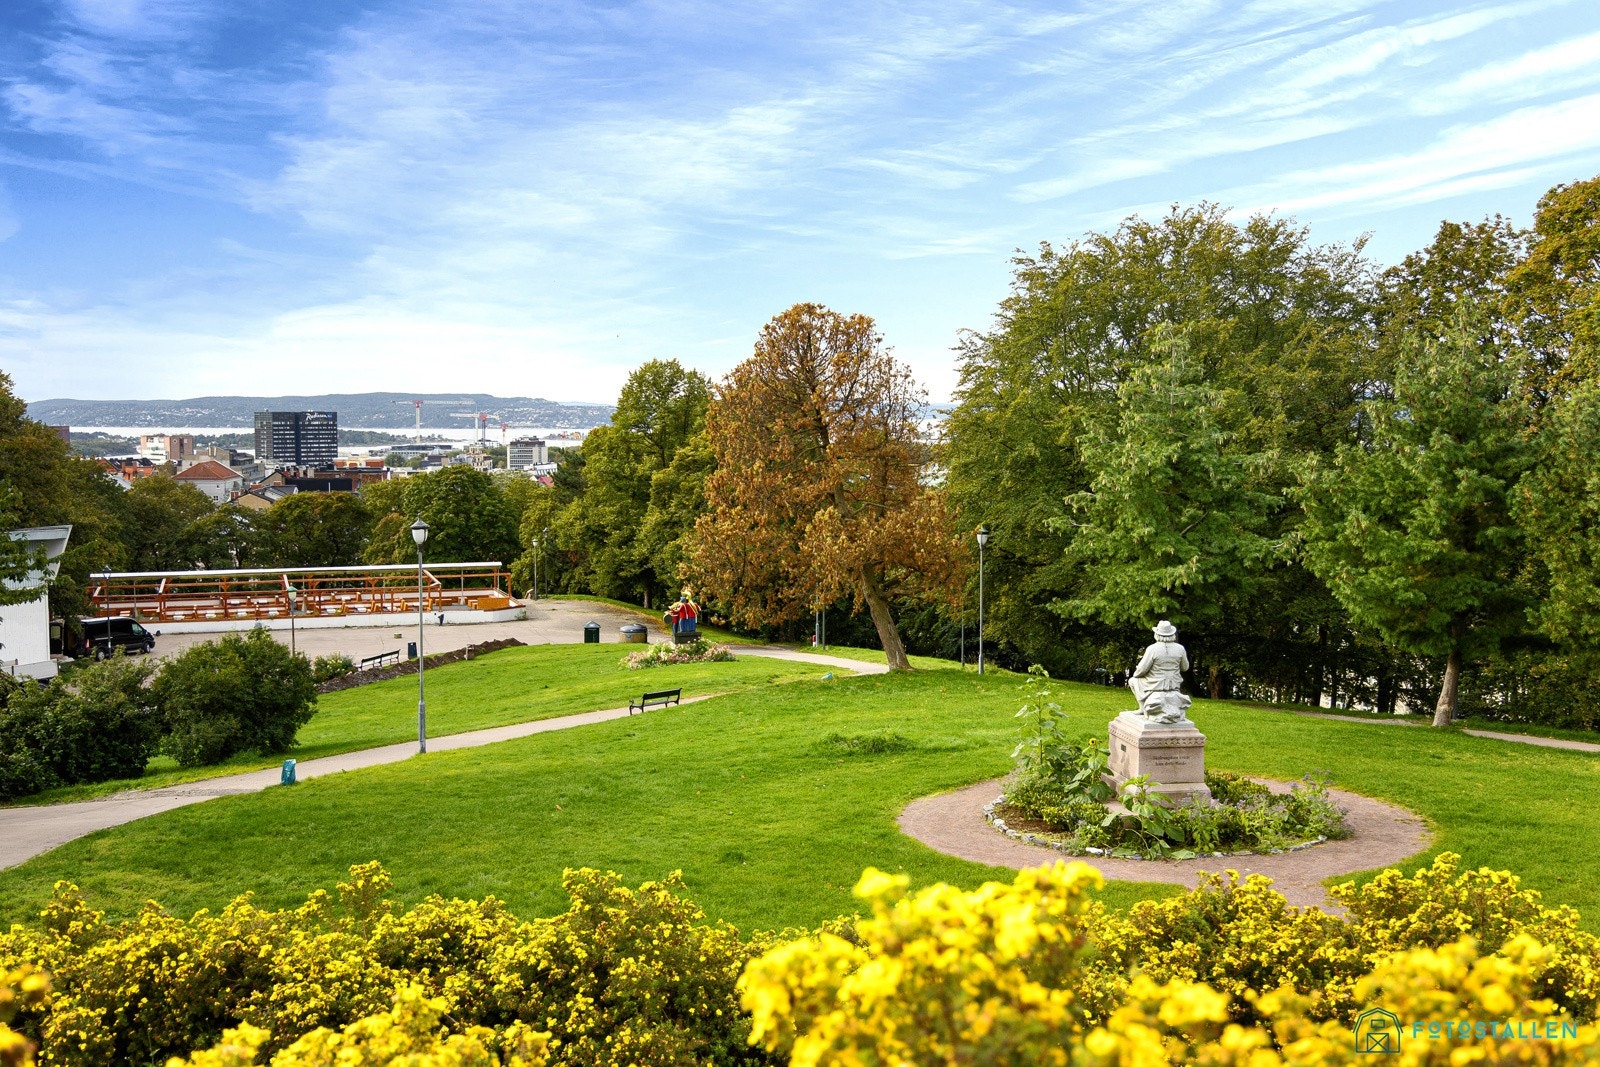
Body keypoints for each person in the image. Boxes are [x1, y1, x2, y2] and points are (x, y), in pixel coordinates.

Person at [1128, 620, 1192, 723]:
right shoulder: (1180, 648)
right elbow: (1185, 667)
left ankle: (1142, 708)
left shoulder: (1152, 649)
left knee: (1132, 681)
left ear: (1157, 634)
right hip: (1173, 684)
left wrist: (1136, 675)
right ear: (1172, 634)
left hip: (1154, 683)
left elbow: (1142, 669)